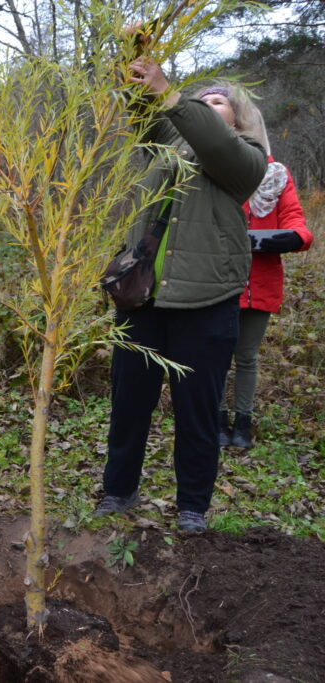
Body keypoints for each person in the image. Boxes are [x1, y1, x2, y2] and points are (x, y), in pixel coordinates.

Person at [96, 52, 267, 532]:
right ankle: (119, 491)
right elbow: (143, 114)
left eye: (217, 102)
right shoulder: (167, 141)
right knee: (129, 405)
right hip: (142, 301)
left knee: (197, 414)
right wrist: (136, 72)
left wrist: (172, 93)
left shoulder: (246, 159)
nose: (206, 105)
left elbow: (212, 142)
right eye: (201, 100)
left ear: (239, 119)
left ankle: (193, 505)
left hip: (206, 305)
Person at [214, 97, 314, 448]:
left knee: (246, 356)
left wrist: (291, 238)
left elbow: (297, 223)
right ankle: (216, 419)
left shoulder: (276, 175)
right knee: (215, 354)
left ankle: (243, 421)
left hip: (259, 280)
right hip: (216, 278)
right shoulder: (213, 170)